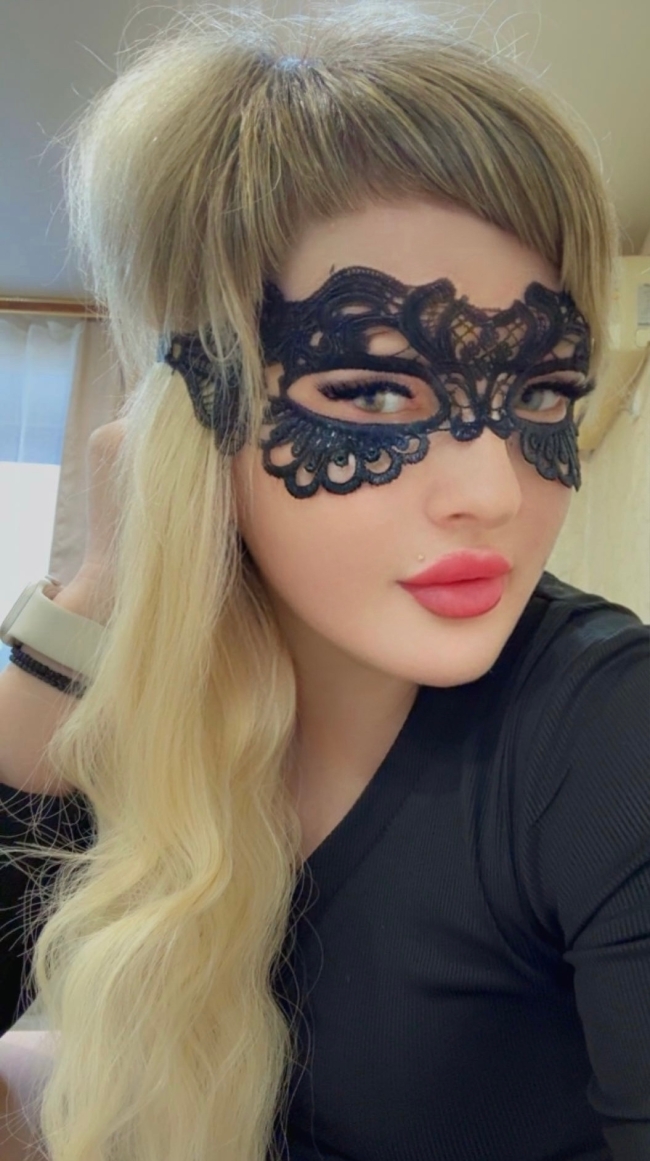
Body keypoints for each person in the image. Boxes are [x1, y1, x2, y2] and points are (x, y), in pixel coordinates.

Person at [0, 3, 648, 1159]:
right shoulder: (175, 707)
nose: (492, 493)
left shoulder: (606, 729)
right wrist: (100, 590)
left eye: (541, 393)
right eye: (372, 392)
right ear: (201, 413)